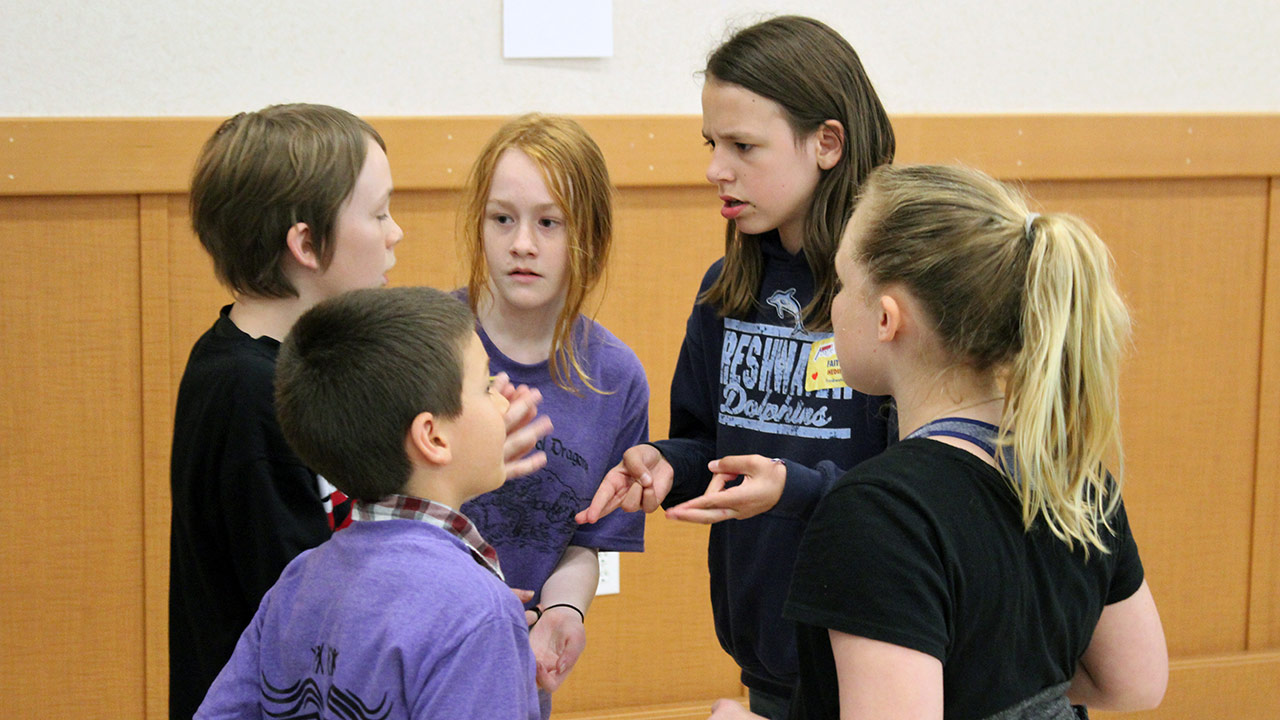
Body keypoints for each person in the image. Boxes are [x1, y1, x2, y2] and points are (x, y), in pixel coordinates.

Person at [712, 164, 1168, 719]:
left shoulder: (877, 513)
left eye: (841, 283)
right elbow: (1134, 683)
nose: (830, 306)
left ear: (886, 319)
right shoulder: (1074, 478)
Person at [170, 104, 547, 719]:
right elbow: (323, 603)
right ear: (306, 244)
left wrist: (449, 467)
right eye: (378, 214)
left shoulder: (281, 374)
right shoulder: (243, 391)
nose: (396, 232)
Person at [577, 16, 895, 719]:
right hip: (770, 656)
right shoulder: (728, 287)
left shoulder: (895, 296)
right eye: (712, 144)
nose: (716, 168)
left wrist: (793, 489)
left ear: (828, 143)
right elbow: (710, 447)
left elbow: (919, 488)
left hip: (882, 655)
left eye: (744, 146)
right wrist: (663, 464)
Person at [197, 286, 539, 719]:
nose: (503, 398)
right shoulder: (476, 612)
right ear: (433, 437)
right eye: (487, 385)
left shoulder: (299, 581)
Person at [457, 113, 649, 718]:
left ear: (586, 234)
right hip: (416, 655)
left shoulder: (616, 378)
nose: (522, 244)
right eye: (502, 219)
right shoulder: (425, 343)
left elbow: (586, 538)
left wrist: (564, 611)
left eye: (549, 222)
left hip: (516, 679)